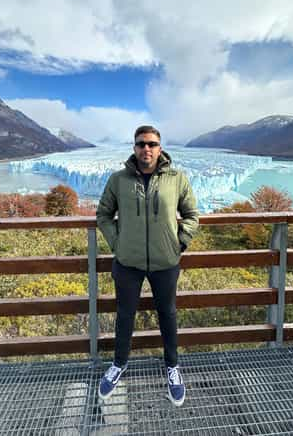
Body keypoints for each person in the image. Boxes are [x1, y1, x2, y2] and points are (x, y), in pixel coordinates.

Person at [96, 125, 199, 406]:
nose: (147, 149)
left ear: (160, 147)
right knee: (125, 315)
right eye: (141, 144)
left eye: (152, 144)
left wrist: (180, 242)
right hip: (128, 263)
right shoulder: (118, 180)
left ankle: (173, 366)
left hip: (165, 262)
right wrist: (118, 244)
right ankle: (118, 364)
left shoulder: (177, 179)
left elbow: (191, 214)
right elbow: (103, 214)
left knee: (167, 313)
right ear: (134, 147)